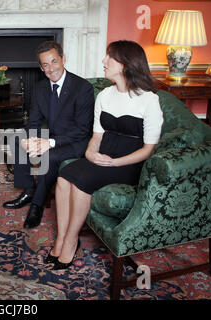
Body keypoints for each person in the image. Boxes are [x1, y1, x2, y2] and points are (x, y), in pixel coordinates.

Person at [47, 40, 164, 270]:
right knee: (63, 177)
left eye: (109, 57)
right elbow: (97, 136)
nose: (103, 61)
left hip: (130, 162)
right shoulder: (105, 95)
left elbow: (148, 149)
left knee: (81, 182)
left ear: (125, 64)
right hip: (103, 156)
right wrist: (91, 153)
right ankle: (61, 237)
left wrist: (115, 163)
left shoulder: (149, 100)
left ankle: (71, 241)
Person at [3, 41, 95, 229]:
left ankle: (36, 205)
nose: (50, 68)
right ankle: (28, 190)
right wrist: (30, 139)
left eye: (54, 61)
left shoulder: (82, 88)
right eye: (45, 64)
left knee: (49, 157)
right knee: (18, 139)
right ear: (41, 67)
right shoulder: (40, 88)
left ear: (63, 59)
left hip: (75, 141)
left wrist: (49, 143)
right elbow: (35, 120)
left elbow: (82, 129)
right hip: (51, 136)